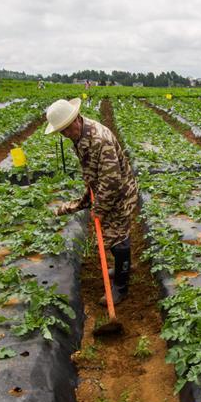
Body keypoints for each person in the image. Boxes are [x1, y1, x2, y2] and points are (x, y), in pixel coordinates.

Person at [47, 98, 139, 316]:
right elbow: (95, 173)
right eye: (62, 131)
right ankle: (120, 270)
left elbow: (112, 181)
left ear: (76, 119)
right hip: (104, 191)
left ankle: (121, 286)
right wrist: (88, 199)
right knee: (114, 237)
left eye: (68, 128)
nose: (67, 134)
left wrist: (100, 209)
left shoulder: (99, 140)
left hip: (120, 194)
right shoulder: (80, 135)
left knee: (117, 239)